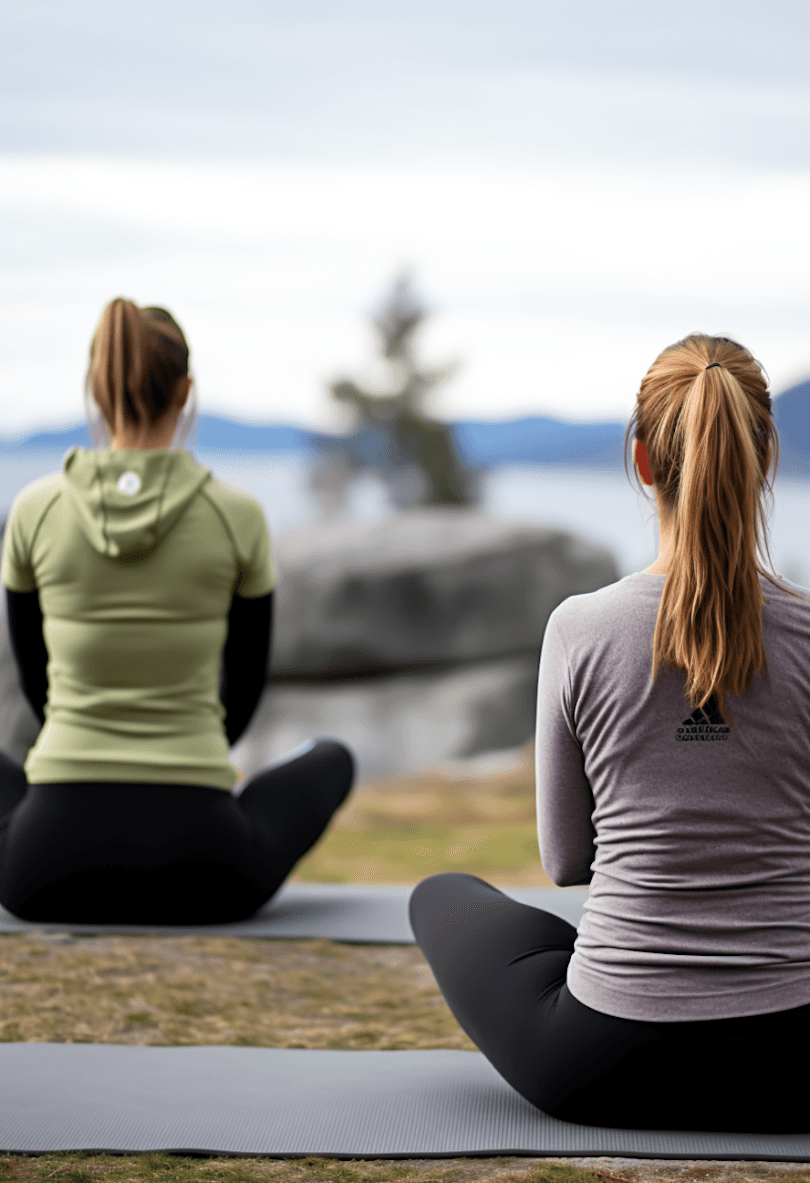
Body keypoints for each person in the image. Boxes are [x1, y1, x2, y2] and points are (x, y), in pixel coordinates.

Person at [410, 333, 810, 1133]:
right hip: (795, 1067)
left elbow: (567, 859)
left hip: (605, 1066)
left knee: (443, 896)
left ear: (642, 463)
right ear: (763, 460)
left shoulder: (581, 630)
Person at [0, 298, 354, 925]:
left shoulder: (34, 510)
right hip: (206, 866)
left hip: (40, 869)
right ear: (186, 391)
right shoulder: (235, 513)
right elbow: (241, 690)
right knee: (330, 756)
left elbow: (37, 685)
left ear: (94, 386)